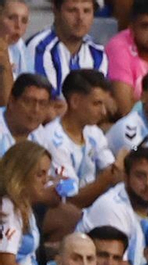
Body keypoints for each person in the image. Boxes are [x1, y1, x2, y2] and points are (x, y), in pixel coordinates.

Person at [33, 69, 118, 210]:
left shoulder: (94, 132)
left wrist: (131, 152)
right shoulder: (52, 140)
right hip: (64, 215)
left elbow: (113, 170)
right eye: (97, 104)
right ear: (75, 101)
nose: (103, 112)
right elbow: (73, 200)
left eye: (104, 104)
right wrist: (108, 176)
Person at [21, 0, 108, 99]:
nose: (80, 18)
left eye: (86, 11)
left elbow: (102, 100)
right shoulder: (39, 47)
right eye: (72, 10)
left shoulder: (98, 52)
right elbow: (48, 104)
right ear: (56, 11)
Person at [0, 141, 55, 265]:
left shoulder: (24, 206)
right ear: (21, 174)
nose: (45, 181)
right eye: (40, 174)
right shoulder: (8, 210)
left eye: (47, 174)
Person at [0, 75, 54, 156]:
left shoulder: (41, 134)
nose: (36, 110)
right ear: (11, 101)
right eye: (28, 102)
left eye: (42, 104)